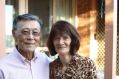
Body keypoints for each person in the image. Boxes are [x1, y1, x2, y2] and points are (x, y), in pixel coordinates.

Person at [0, 14, 51, 79]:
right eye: (25, 32)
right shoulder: (2, 67)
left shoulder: (47, 62)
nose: (30, 37)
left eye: (35, 32)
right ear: (14, 34)